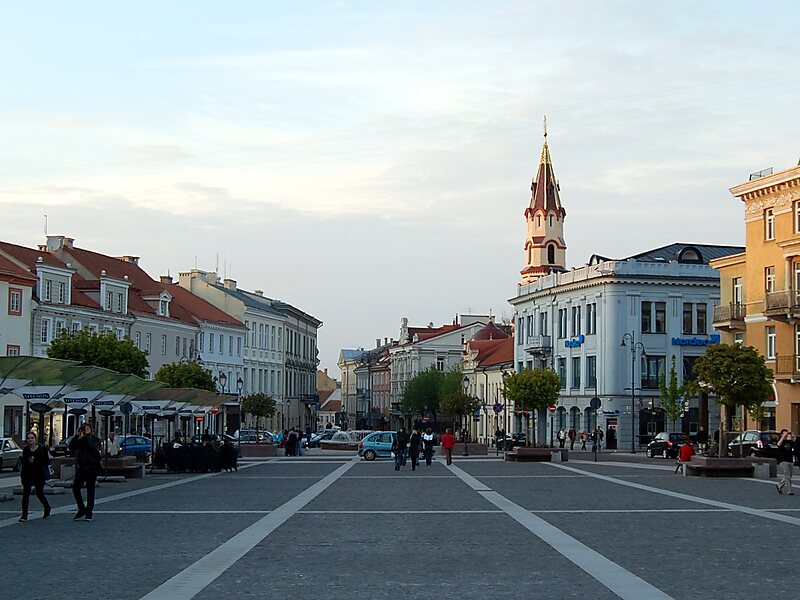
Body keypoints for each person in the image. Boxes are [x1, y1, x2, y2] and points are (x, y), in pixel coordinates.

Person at [69, 422, 102, 522]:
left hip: (92, 468)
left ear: (91, 430)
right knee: (75, 488)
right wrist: (76, 436)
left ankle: (89, 512)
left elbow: (93, 448)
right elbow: (72, 446)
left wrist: (87, 436)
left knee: (90, 491)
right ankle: (81, 508)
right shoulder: (81, 440)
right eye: (84, 428)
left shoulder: (95, 440)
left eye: (88, 428)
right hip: (82, 468)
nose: (86, 430)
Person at [19, 431, 51, 522]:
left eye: (32, 438)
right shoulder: (25, 450)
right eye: (28, 438)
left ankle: (47, 507)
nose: (30, 440)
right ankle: (24, 515)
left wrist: (35, 460)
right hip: (28, 475)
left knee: (39, 493)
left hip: (39, 475)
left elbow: (46, 461)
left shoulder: (42, 449)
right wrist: (22, 476)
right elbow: (24, 463)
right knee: (25, 495)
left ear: (35, 439)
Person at [776, 429, 795, 495]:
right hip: (783, 461)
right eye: (784, 433)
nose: (786, 435)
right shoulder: (781, 442)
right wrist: (783, 437)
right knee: (787, 476)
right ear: (781, 434)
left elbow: (795, 443)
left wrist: (793, 436)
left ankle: (779, 485)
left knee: (789, 476)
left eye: (786, 434)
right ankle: (790, 490)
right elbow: (778, 444)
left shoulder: (790, 442)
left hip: (790, 461)